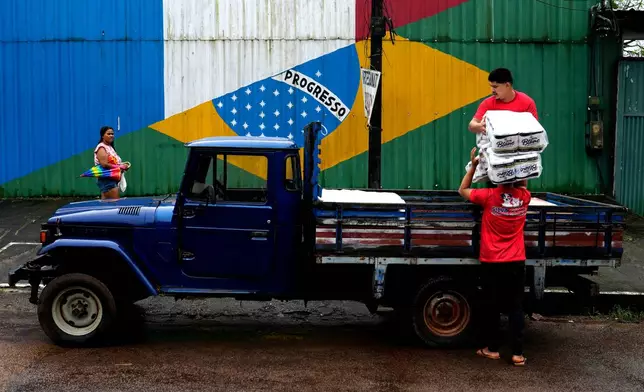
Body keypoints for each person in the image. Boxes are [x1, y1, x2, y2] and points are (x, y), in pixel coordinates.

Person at [458, 147, 531, 367]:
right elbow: (524, 184)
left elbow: (462, 190)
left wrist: (473, 166)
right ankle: (518, 354)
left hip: (492, 261)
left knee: (493, 306)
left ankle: (492, 349)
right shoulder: (524, 197)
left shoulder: (489, 196)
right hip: (516, 260)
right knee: (516, 307)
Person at [468, 68, 538, 134]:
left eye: (495, 87)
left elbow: (535, 129)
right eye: (491, 86)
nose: (492, 90)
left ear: (507, 85)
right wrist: (479, 126)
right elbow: (472, 125)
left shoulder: (527, 102)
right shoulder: (487, 103)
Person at [94, 126, 129, 199]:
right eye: (108, 134)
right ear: (103, 136)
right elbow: (104, 164)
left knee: (106, 205)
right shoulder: (101, 147)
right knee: (114, 204)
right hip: (106, 180)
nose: (111, 136)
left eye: (112, 134)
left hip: (111, 179)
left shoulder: (109, 147)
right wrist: (120, 167)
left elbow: (114, 163)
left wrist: (123, 166)